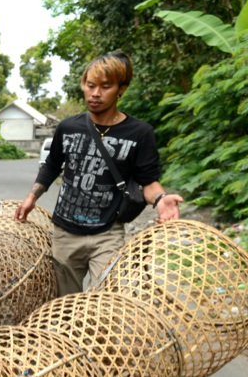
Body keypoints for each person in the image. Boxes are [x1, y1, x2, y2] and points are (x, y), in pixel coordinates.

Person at [14, 51, 184, 295]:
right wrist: (32, 196)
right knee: (63, 306)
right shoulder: (68, 127)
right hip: (65, 233)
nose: (95, 93)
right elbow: (52, 165)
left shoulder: (139, 133)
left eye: (105, 87)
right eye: (90, 85)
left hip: (108, 233)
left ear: (121, 88)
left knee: (103, 305)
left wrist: (160, 200)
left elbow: (149, 183)